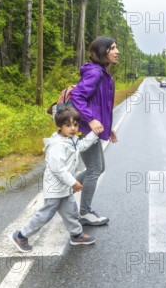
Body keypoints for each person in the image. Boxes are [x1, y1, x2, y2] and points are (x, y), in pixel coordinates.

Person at [10, 106, 99, 253]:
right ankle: (21, 236)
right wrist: (74, 182)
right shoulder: (57, 145)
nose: (73, 128)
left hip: (63, 187)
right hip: (55, 187)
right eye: (68, 125)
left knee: (70, 211)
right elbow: (59, 169)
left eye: (75, 125)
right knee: (46, 214)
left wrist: (94, 134)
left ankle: (76, 235)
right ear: (60, 126)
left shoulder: (71, 140)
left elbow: (81, 146)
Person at [70, 36, 119, 226]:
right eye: (112, 48)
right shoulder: (96, 73)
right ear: (102, 52)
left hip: (91, 129)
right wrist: (90, 120)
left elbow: (99, 104)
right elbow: (77, 96)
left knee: (99, 168)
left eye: (116, 48)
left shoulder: (103, 74)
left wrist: (108, 128)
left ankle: (65, 186)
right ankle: (85, 213)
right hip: (84, 130)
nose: (117, 51)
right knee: (94, 170)